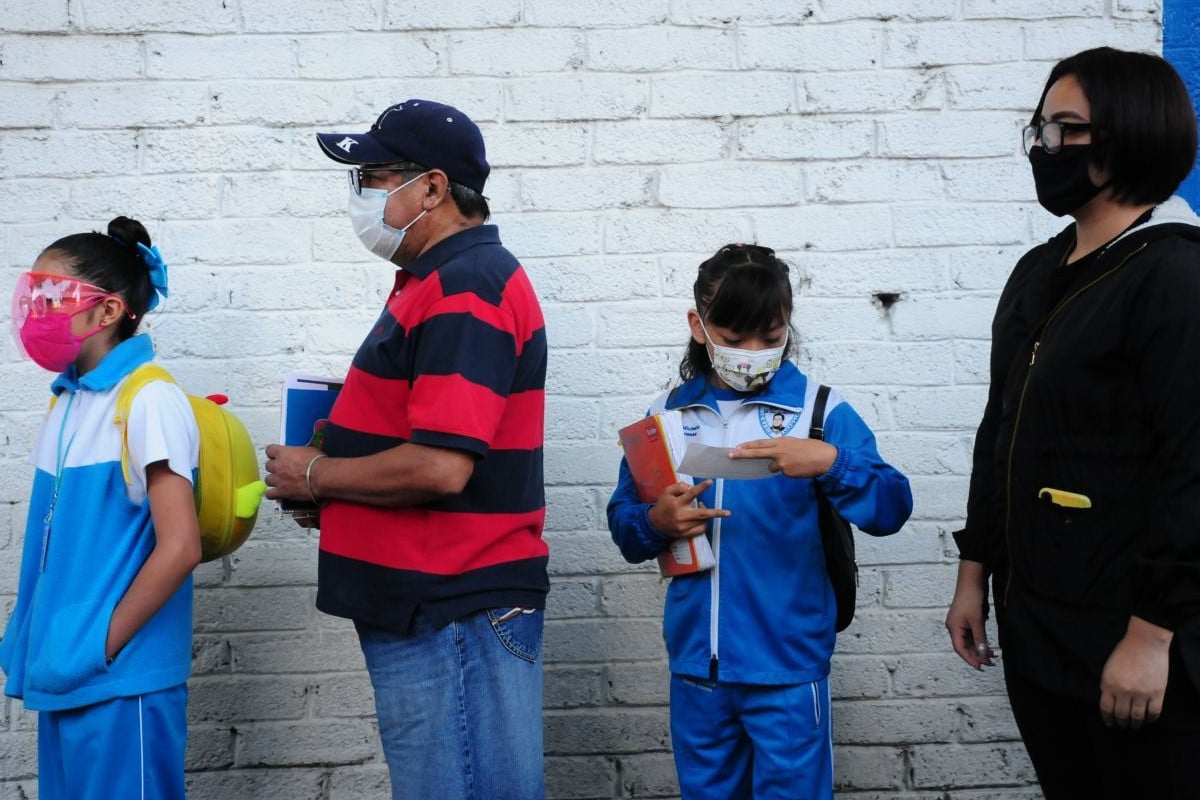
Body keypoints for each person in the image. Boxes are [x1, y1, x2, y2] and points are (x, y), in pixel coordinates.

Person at [263, 99, 549, 800]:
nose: (362, 193)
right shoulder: (435, 282)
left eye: (374, 175)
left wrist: (319, 474)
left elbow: (441, 466)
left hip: (452, 608)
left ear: (432, 188)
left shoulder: (465, 286)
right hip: (434, 605)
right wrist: (332, 486)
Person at [945, 46, 1200, 799]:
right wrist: (973, 574)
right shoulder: (1039, 270)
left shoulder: (1175, 276)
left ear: (1129, 135)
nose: (1045, 146)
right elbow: (1001, 432)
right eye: (1041, 127)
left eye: (1067, 128)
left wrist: (1152, 637)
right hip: (1037, 628)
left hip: (1131, 639)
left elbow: (1193, 468)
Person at [607, 243, 912, 800]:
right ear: (699, 326)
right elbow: (625, 527)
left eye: (771, 338)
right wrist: (657, 519)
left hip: (789, 670)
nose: (752, 353)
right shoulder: (665, 415)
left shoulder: (820, 412)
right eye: (735, 336)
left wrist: (831, 463)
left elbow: (892, 507)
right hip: (698, 671)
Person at [0, 217, 201, 799]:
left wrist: (98, 644)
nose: (36, 308)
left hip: (120, 682)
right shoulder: (68, 402)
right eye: (33, 293)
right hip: (64, 674)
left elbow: (181, 545)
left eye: (52, 296)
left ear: (108, 311)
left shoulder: (149, 398)